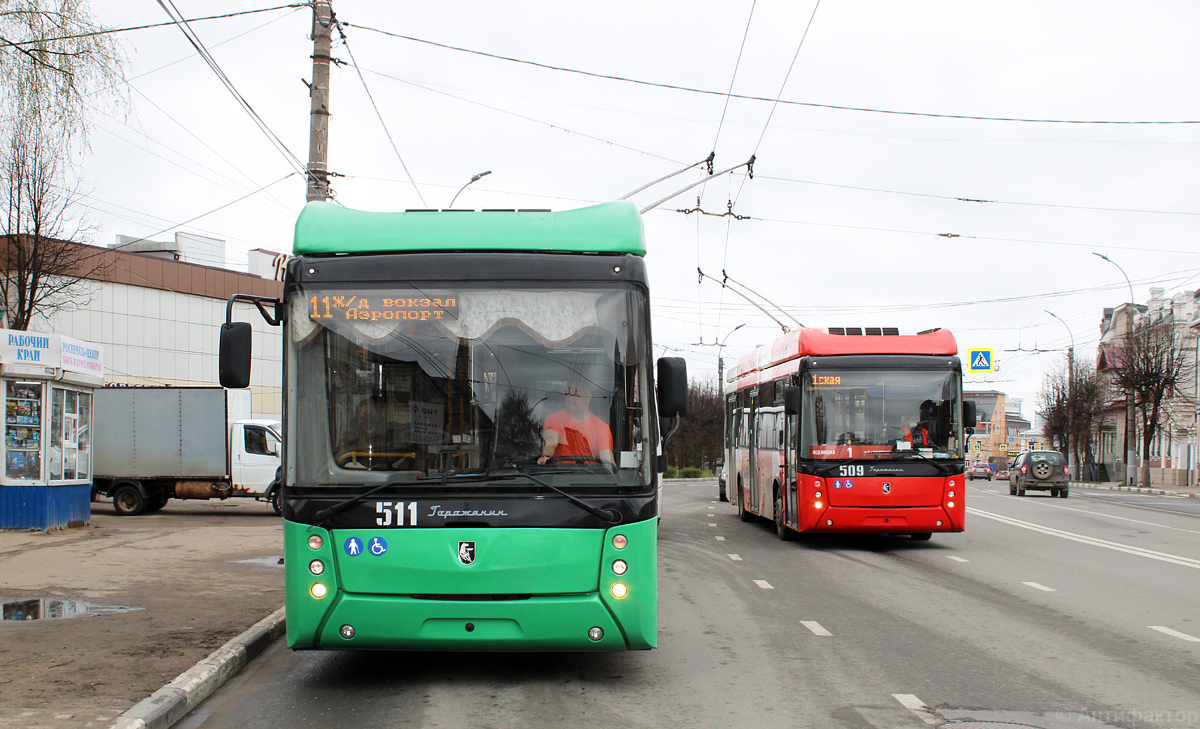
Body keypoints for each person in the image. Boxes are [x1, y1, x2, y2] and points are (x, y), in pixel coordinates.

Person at [537, 379, 614, 466]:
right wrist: (546, 456)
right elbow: (551, 440)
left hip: (591, 474)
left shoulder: (602, 427)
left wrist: (609, 469)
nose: (570, 398)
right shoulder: (554, 418)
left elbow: (607, 460)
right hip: (560, 473)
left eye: (575, 394)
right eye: (567, 394)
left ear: (588, 398)